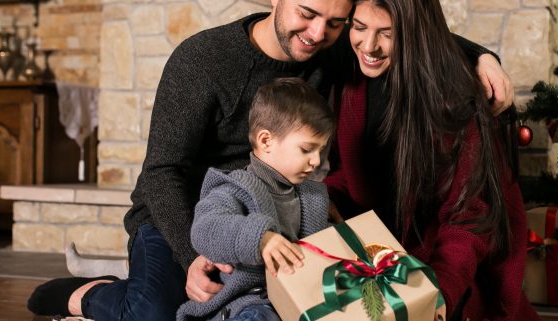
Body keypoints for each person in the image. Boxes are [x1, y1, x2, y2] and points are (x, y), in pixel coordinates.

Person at [26, 0, 514, 319]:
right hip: (186, 215)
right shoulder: (202, 61)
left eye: (335, 23)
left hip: (274, 214)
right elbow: (161, 174)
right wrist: (192, 257)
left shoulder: (333, 51)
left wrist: (482, 55)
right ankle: (88, 293)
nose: (317, 32)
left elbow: (407, 29)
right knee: (155, 314)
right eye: (307, 13)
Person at [323, 0, 539, 320]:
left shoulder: (453, 99)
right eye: (359, 27)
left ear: (413, 33)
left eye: (387, 33)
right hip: (367, 258)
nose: (369, 46)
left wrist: (440, 290)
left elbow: (469, 219)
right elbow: (345, 175)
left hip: (436, 266)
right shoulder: (347, 77)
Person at [175, 77, 332, 321]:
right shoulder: (234, 188)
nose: (316, 161)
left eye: (320, 151)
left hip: (301, 299)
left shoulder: (312, 197)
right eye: (306, 149)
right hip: (251, 301)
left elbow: (323, 244)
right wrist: (261, 239)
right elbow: (205, 229)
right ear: (266, 141)